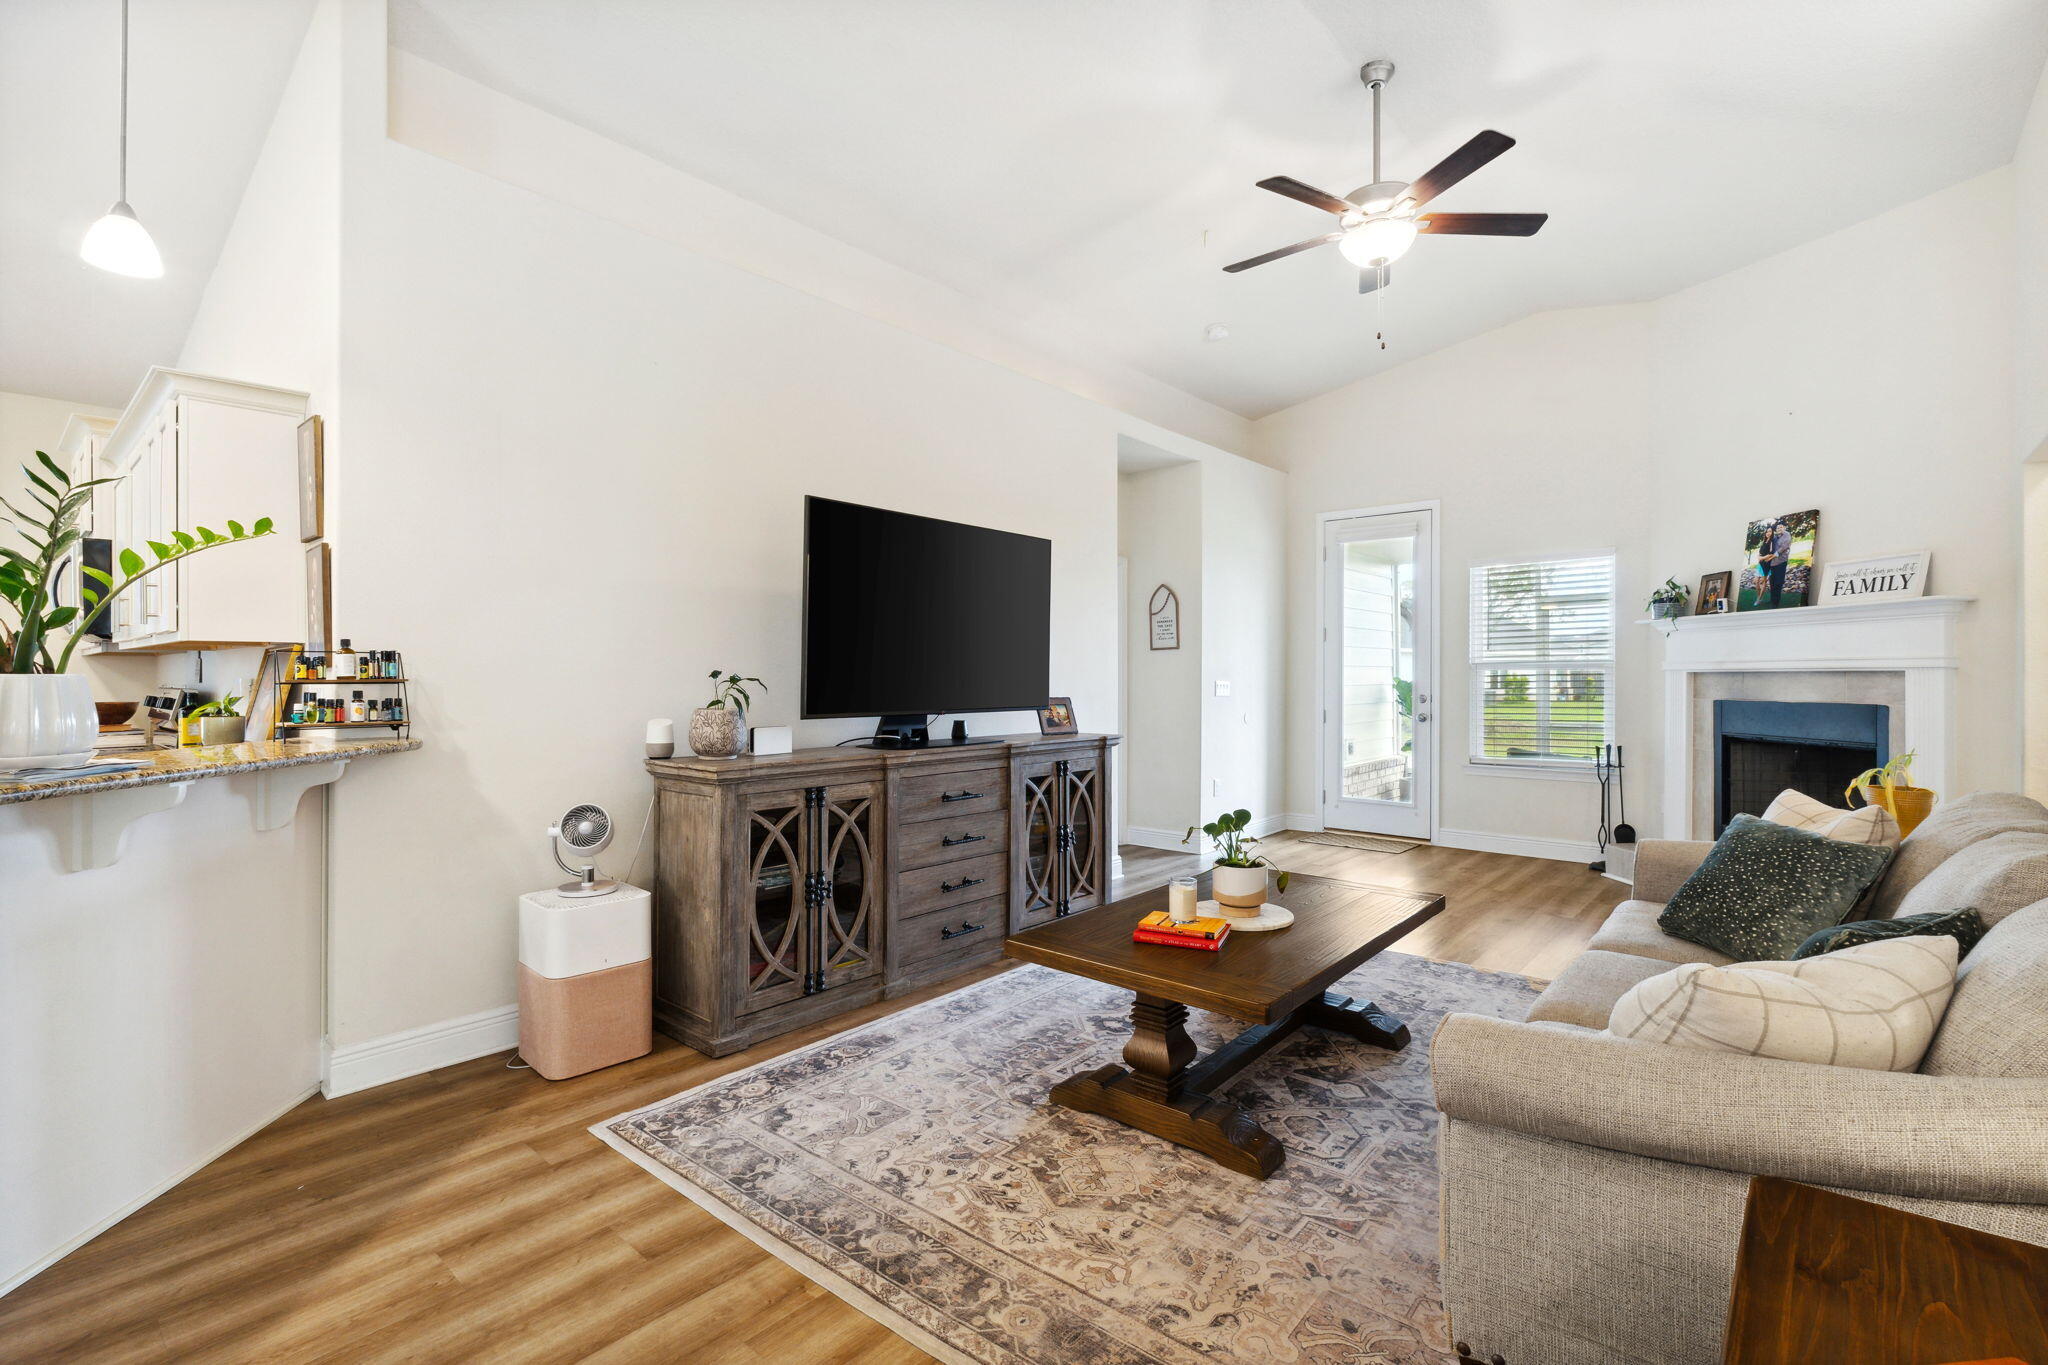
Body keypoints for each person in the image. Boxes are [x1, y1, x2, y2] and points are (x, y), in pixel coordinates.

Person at [1758, 519, 1793, 607]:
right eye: (1777, 528)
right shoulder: (1775, 537)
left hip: (1781, 562)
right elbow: (1769, 545)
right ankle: (1772, 600)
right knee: (1772, 582)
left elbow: (1783, 548)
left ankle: (1776, 602)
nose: (1779, 529)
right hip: (1773, 564)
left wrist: (1771, 557)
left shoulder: (1787, 535)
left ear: (1784, 528)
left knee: (1778, 582)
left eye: (1781, 527)